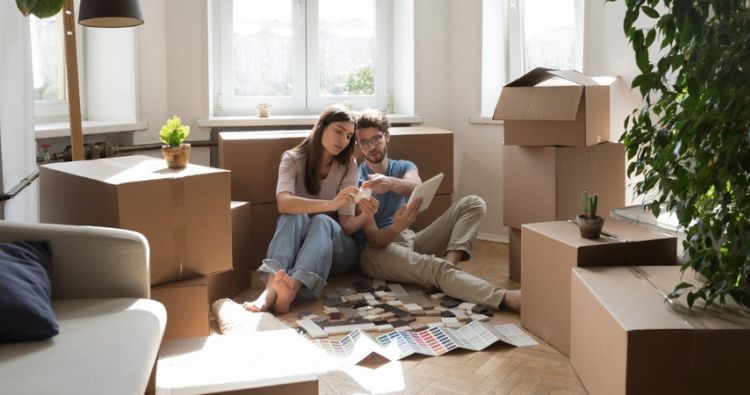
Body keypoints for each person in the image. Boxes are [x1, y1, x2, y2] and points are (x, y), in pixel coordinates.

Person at [354, 108, 521, 311]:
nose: (371, 146)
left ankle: (450, 268)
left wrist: (389, 183)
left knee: (473, 203)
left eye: (376, 139)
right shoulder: (357, 180)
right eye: (364, 142)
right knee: (433, 266)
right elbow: (374, 239)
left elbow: (416, 186)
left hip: (410, 239)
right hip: (377, 252)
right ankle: (503, 298)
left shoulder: (404, 166)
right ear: (358, 146)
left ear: (387, 136)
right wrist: (396, 228)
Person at [245, 104, 379, 314]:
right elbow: (284, 202)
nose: (343, 140)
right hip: (299, 250)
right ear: (321, 127)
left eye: (348, 136)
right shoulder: (292, 158)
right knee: (292, 216)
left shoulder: (348, 165)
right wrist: (330, 204)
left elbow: (346, 226)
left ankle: (291, 290)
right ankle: (270, 293)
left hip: (336, 251)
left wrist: (365, 216)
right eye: (338, 131)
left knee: (322, 221)